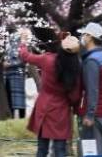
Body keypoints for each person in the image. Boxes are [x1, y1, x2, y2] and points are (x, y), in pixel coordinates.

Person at [17, 29, 82, 157]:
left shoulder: (47, 60)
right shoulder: (76, 67)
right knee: (60, 150)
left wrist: (23, 42)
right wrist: (75, 108)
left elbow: (26, 56)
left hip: (44, 107)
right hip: (62, 111)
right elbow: (75, 96)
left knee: (42, 149)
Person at [77, 22, 102, 156]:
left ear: (90, 37)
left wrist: (90, 114)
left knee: (89, 152)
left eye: (84, 34)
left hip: (95, 117)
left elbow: (93, 90)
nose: (82, 37)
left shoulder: (92, 61)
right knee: (101, 152)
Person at [4, 28, 27, 119]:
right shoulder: (7, 46)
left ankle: (22, 117)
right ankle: (12, 117)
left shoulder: (21, 46)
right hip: (8, 74)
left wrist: (10, 64)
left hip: (18, 74)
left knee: (19, 97)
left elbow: (23, 60)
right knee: (9, 96)